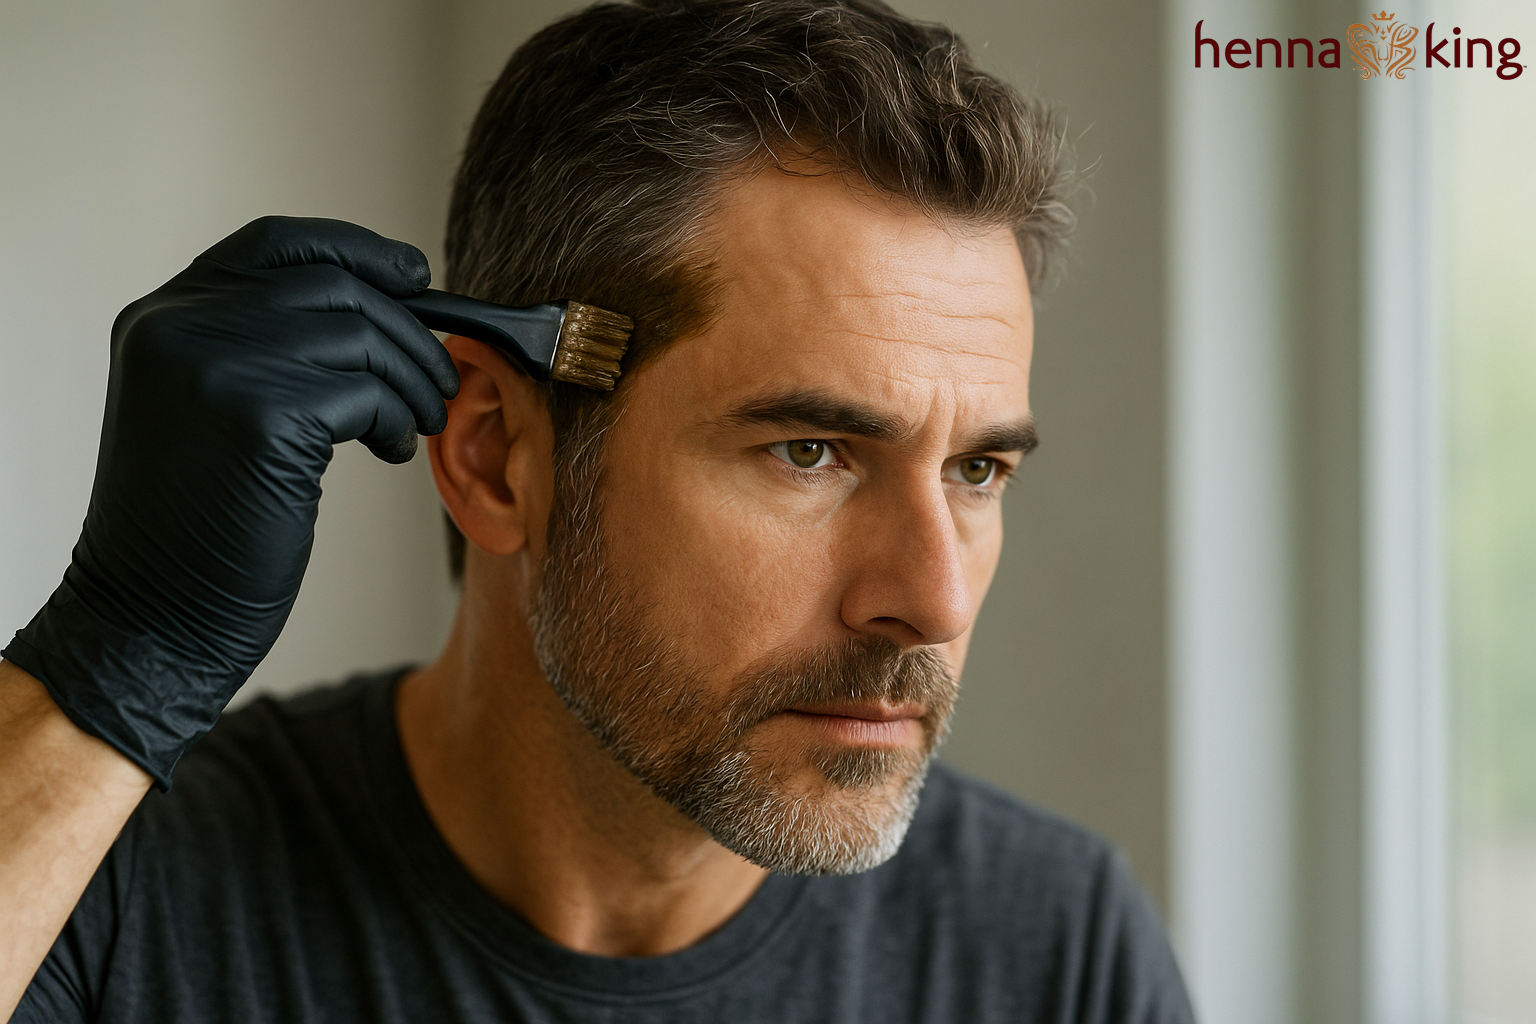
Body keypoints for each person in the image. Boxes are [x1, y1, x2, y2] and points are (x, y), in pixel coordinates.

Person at [0, 0, 1194, 1020]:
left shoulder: (1054, 949)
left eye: (977, 471)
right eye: (809, 450)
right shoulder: (106, 884)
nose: (931, 598)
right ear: (496, 459)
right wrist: (123, 654)